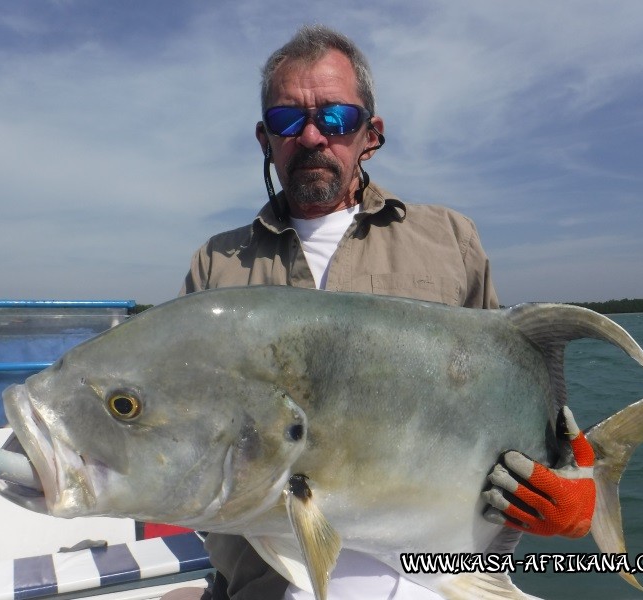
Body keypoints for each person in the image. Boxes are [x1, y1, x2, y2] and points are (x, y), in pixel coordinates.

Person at [179, 24, 595, 600]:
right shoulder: (216, 267)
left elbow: (512, 401)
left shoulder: (450, 239)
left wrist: (574, 481)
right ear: (264, 139)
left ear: (370, 134)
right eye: (285, 120)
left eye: (336, 118)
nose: (310, 136)